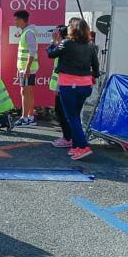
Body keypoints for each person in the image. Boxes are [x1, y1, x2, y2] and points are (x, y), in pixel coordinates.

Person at [47, 18, 100, 160]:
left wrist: (54, 41)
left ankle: (83, 146)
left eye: (70, 25)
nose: (68, 27)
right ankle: (76, 145)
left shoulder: (67, 43)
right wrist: (93, 77)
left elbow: (51, 53)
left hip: (69, 86)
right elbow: (96, 66)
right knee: (74, 116)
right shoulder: (90, 45)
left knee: (73, 118)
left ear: (74, 29)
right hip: (85, 86)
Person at [12, 10, 39, 125]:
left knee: (25, 92)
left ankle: (25, 118)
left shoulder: (28, 32)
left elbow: (32, 52)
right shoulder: (26, 31)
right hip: (26, 68)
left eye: (16, 19)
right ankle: (30, 116)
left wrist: (27, 68)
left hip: (28, 68)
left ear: (22, 20)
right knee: (28, 91)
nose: (15, 22)